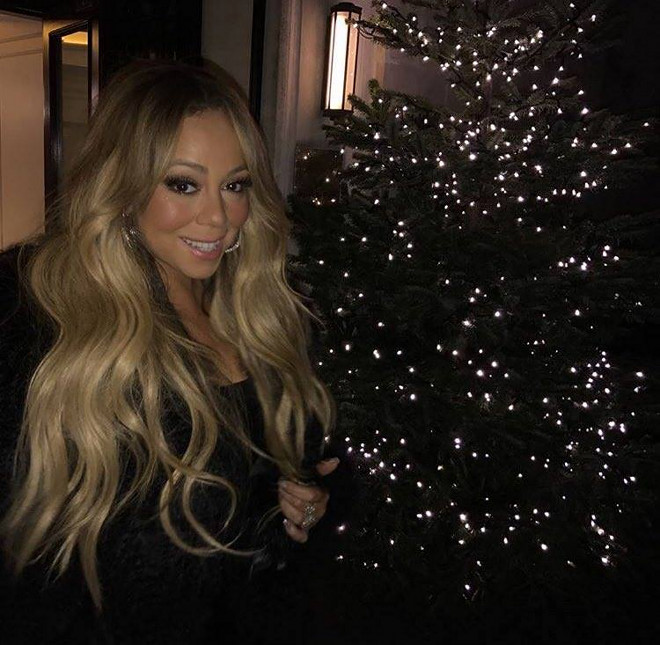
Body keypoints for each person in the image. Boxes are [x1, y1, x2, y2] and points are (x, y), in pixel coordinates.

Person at [0, 59, 338, 643]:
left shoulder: (261, 312)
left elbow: (283, 470)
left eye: (235, 185)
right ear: (123, 187)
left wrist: (302, 504)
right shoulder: (47, 324)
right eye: (183, 184)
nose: (218, 217)